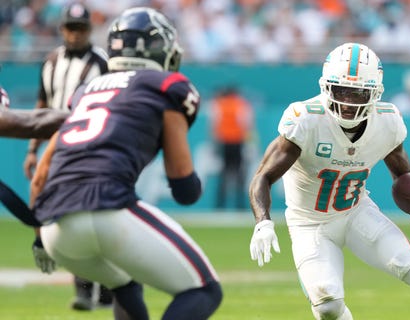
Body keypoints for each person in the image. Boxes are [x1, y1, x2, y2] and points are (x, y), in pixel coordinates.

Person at [248, 42, 410, 320]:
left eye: (358, 93)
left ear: (375, 93)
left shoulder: (387, 121)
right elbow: (262, 176)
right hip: (310, 224)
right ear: (326, 87)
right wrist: (263, 221)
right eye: (341, 90)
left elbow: (404, 174)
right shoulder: (306, 120)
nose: (347, 102)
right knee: (328, 307)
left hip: (357, 213)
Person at [28, 7, 222, 320]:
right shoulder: (166, 85)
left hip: (55, 229)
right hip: (107, 206)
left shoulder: (85, 92)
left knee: (125, 283)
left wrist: (39, 239)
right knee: (204, 290)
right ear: (160, 49)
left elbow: (41, 176)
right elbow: (183, 187)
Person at [20, 2, 112, 310]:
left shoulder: (101, 63)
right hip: (54, 147)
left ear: (89, 30)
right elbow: (42, 104)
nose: (75, 35)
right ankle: (85, 290)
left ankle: (111, 287)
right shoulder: (50, 62)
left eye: (81, 29)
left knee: (98, 216)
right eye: (71, 29)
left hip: (90, 148)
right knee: (68, 219)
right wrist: (33, 149)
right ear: (62, 30)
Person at [210, 85, 254, 210]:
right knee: (240, 174)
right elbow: (246, 124)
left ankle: (220, 205)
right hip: (238, 142)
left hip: (224, 142)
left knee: (223, 174)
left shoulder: (219, 104)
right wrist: (249, 142)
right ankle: (240, 205)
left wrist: (215, 143)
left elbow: (214, 124)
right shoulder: (241, 104)